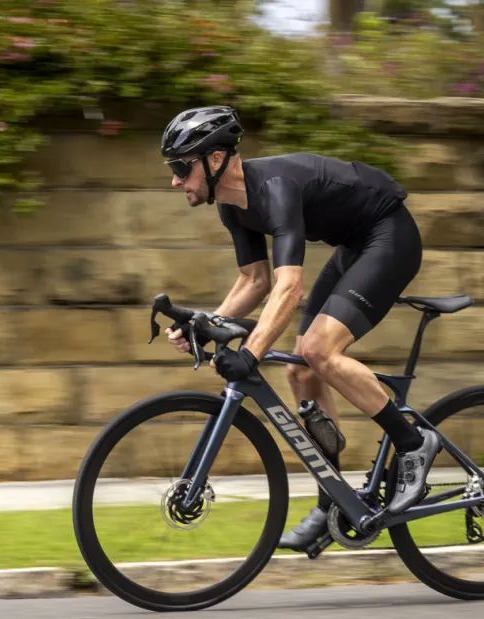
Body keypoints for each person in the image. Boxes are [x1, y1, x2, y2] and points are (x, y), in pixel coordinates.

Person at [161, 105, 440, 554]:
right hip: (355, 244)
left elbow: (290, 287)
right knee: (301, 372)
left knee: (318, 349)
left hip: (390, 235)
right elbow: (255, 280)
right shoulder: (233, 206)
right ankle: (336, 502)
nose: (174, 180)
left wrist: (250, 353)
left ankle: (413, 442)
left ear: (215, 161)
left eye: (180, 167)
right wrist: (205, 324)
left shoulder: (274, 188)